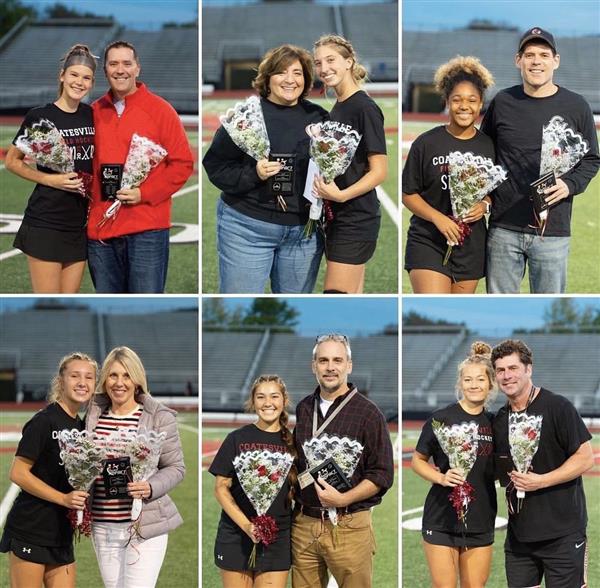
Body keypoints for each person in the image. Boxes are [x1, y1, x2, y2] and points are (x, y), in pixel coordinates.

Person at [481, 27, 600, 293]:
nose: (537, 61)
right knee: (499, 304)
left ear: (555, 61)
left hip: (553, 230)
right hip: (503, 227)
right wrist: (484, 196)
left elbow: (592, 158)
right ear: (518, 60)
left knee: (548, 299)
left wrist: (570, 184)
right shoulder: (502, 101)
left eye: (544, 55)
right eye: (530, 54)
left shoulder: (576, 105)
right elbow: (485, 153)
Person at [203, 44, 328, 294]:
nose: (290, 80)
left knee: (296, 310)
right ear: (267, 78)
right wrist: (254, 174)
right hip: (247, 228)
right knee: (241, 306)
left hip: (303, 232)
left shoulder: (319, 117)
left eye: (298, 73)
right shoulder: (246, 116)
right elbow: (216, 165)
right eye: (281, 72)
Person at [86, 41, 194, 293]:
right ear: (105, 70)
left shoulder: (161, 110)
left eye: (127, 63)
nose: (120, 70)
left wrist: (143, 194)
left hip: (146, 229)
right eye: (113, 64)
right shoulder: (93, 112)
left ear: (137, 68)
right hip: (101, 229)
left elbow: (182, 164)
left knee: (148, 303)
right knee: (109, 308)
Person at [292, 334, 394, 588]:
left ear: (349, 365)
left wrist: (344, 499)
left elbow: (382, 473)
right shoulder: (304, 407)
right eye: (323, 360)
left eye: (338, 360)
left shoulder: (369, 413)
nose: (330, 367)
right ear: (313, 365)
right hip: (305, 523)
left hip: (349, 523)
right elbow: (300, 463)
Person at [491, 339, 593, 587]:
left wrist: (542, 481)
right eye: (501, 370)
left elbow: (585, 457)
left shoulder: (558, 406)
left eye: (513, 368)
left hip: (562, 535)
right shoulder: (500, 418)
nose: (507, 376)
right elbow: (500, 470)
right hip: (519, 538)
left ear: (529, 369)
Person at [85, 346, 185, 588]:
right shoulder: (93, 413)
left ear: (137, 380)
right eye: (113, 375)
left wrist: (150, 487)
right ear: (105, 379)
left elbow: (176, 467)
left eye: (127, 375)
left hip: (144, 525)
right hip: (103, 525)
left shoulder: (158, 416)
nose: (119, 383)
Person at [0, 352, 98, 588]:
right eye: (75, 376)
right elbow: (18, 473)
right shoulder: (44, 421)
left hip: (61, 535)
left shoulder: (83, 426)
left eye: (89, 377)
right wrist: (63, 498)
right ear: (61, 381)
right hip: (31, 528)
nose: (82, 382)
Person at [5, 45, 96, 293]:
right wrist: (51, 180)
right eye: (74, 75)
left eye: (86, 77)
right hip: (46, 221)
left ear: (92, 82)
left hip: (78, 224)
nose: (79, 82)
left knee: (70, 304)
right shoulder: (40, 116)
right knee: (51, 304)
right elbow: (12, 161)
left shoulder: (93, 115)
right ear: (62, 76)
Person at [402, 56, 495, 293]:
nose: (464, 106)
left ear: (481, 102)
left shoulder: (490, 146)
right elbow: (408, 194)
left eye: (472, 100)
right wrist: (438, 218)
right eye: (457, 100)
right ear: (446, 101)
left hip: (470, 245)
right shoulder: (426, 143)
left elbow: (497, 192)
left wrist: (484, 204)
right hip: (428, 241)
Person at [411, 342, 497, 588]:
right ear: (460, 384)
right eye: (468, 380)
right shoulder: (441, 418)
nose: (474, 385)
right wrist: (441, 478)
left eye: (480, 379)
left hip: (480, 518)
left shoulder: (496, 422)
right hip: (441, 517)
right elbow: (418, 460)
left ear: (491, 384)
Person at [312, 35, 388, 294]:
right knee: (349, 296)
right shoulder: (339, 106)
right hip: (338, 216)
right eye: (318, 63)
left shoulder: (364, 107)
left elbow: (379, 171)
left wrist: (341, 195)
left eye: (331, 60)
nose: (324, 68)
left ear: (349, 62)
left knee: (334, 296)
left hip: (355, 217)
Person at [209, 375, 297, 588]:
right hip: (236, 535)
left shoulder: (295, 443)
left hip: (277, 537)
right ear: (253, 401)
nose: (268, 403)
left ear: (284, 401)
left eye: (274, 396)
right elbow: (221, 489)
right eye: (261, 397)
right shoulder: (236, 438)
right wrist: (247, 526)